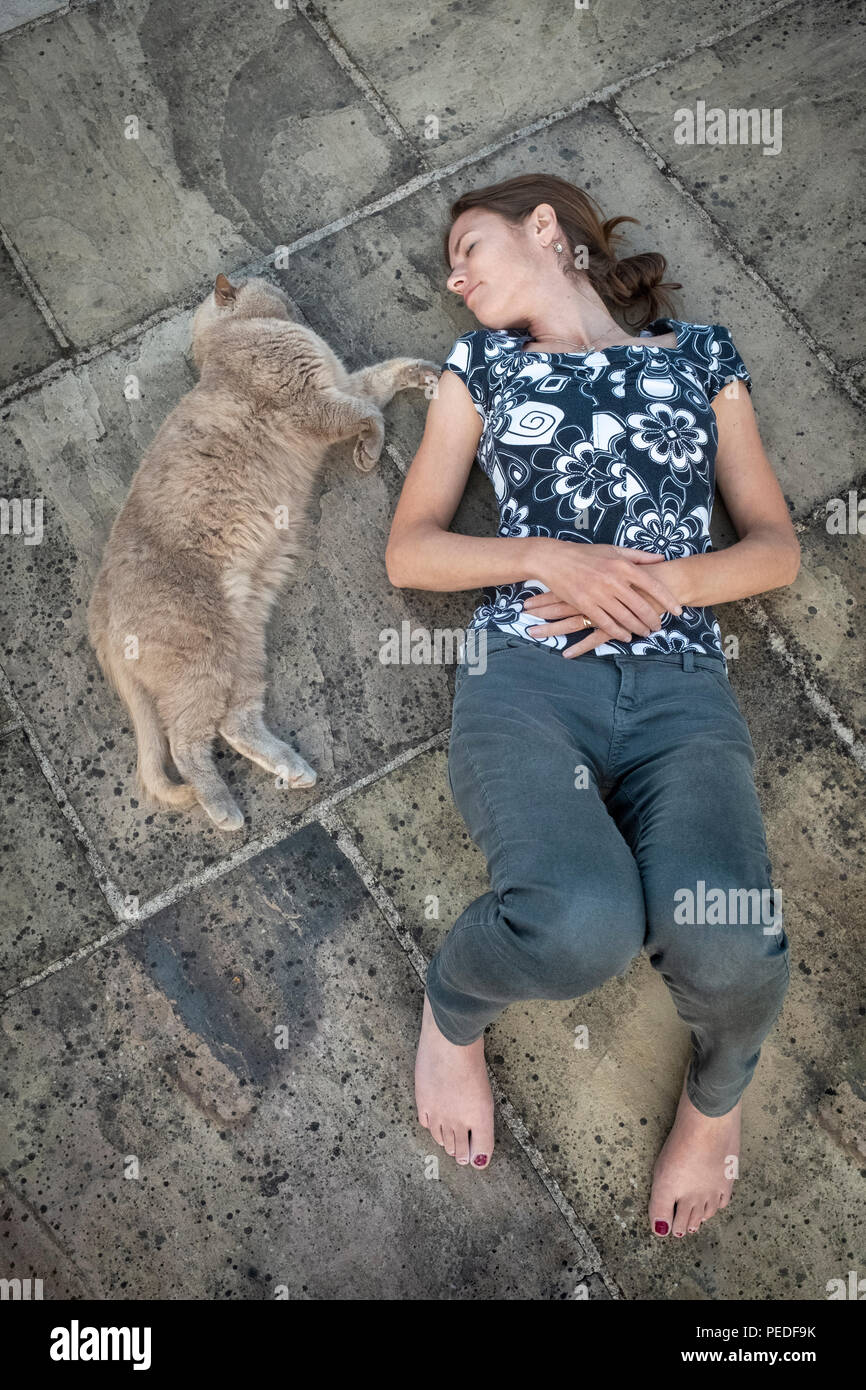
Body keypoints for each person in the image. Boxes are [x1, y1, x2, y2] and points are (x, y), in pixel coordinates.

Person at [385, 174, 799, 1240]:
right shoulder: (478, 367)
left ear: (544, 228)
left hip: (679, 693)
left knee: (733, 941)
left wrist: (663, 583)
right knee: (577, 924)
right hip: (528, 680)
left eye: (468, 243)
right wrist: (542, 557)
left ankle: (713, 1106)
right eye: (447, 262)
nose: (453, 273)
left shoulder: (700, 357)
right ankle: (453, 1008)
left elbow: (770, 545)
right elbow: (411, 549)